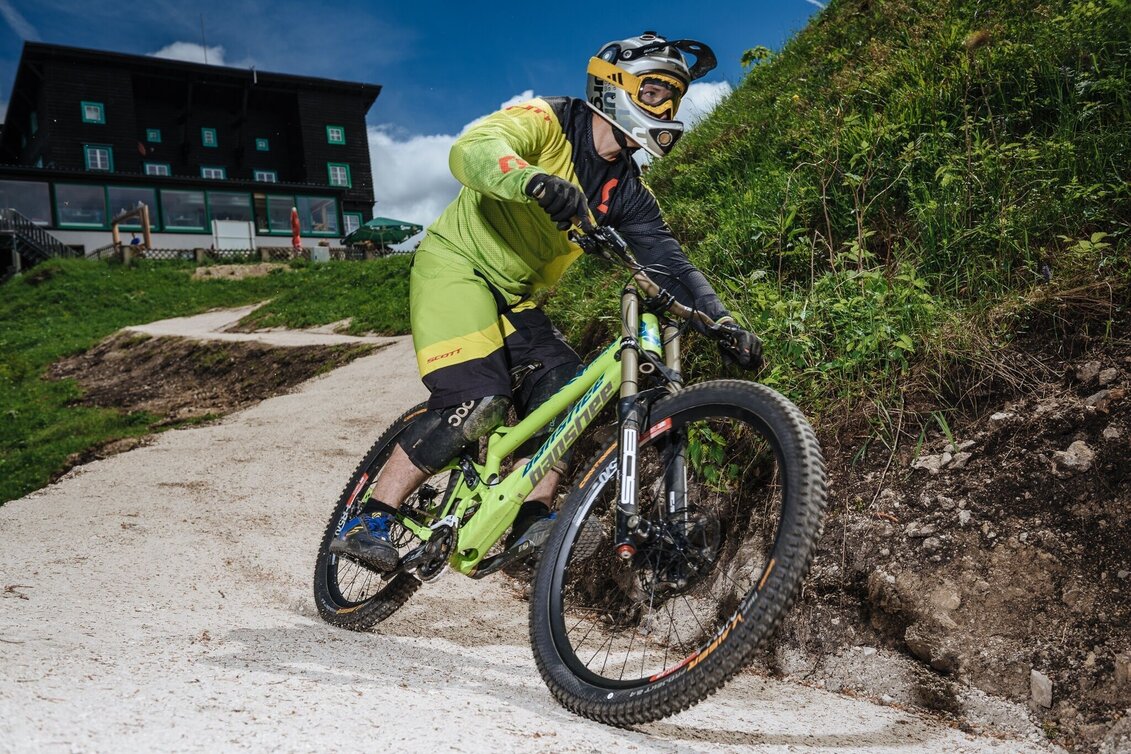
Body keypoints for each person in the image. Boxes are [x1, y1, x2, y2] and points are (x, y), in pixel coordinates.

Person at [331, 31, 762, 571]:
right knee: (478, 403)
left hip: (516, 296)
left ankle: (531, 517)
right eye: (654, 91)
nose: (665, 108)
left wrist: (721, 321)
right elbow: (473, 150)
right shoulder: (548, 120)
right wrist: (531, 179)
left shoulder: (626, 190)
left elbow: (670, 264)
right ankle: (370, 517)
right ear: (612, 84)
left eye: (672, 99)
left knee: (568, 399)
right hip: (456, 267)